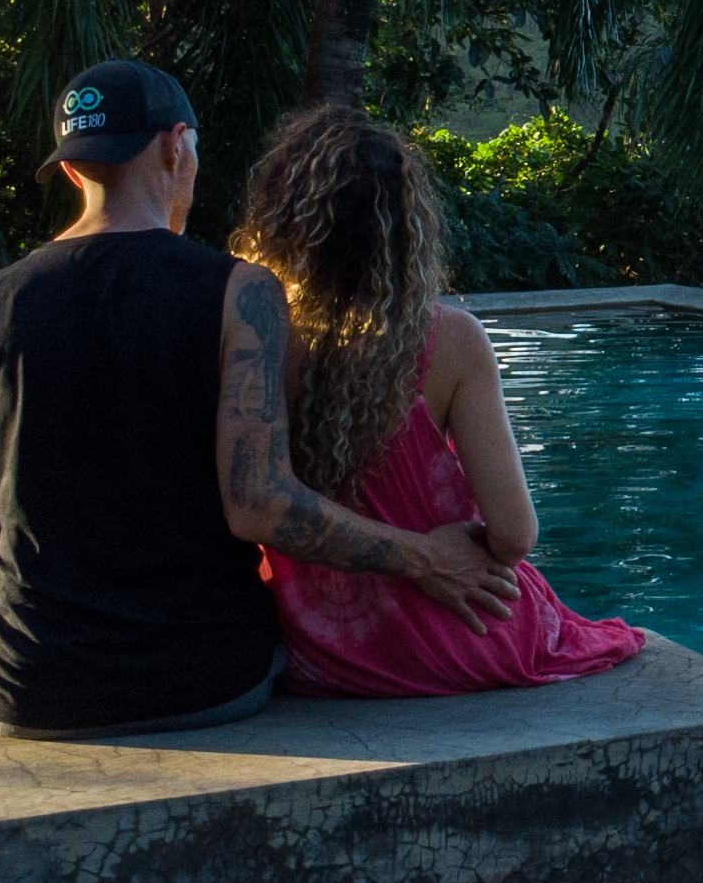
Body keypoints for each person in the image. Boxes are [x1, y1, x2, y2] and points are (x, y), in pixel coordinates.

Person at [0, 59, 517, 739]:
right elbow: (261, 502)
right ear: (176, 147)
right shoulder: (242, 294)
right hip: (213, 678)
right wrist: (422, 557)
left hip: (31, 688)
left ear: (73, 170)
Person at [227, 103, 647, 695]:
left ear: (283, 222)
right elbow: (515, 535)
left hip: (320, 652)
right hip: (465, 634)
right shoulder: (449, 341)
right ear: (410, 231)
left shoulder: (257, 342)